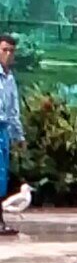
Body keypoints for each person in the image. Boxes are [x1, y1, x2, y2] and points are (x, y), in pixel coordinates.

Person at [0, 34, 25, 236]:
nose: (8, 54)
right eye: (4, 50)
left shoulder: (10, 79)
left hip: (4, 132)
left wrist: (19, 136)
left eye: (11, 51)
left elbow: (13, 111)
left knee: (2, 177)